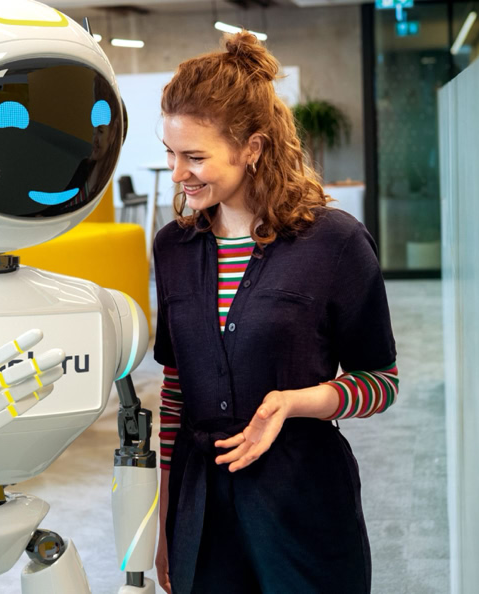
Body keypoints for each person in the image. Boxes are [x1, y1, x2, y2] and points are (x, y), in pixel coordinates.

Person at [152, 32, 399, 594]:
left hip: (303, 504)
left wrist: (293, 402)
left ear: (252, 148)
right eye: (170, 153)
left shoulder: (335, 243)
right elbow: (174, 393)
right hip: (203, 514)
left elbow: (381, 383)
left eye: (195, 157)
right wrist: (166, 521)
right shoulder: (173, 248)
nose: (177, 173)